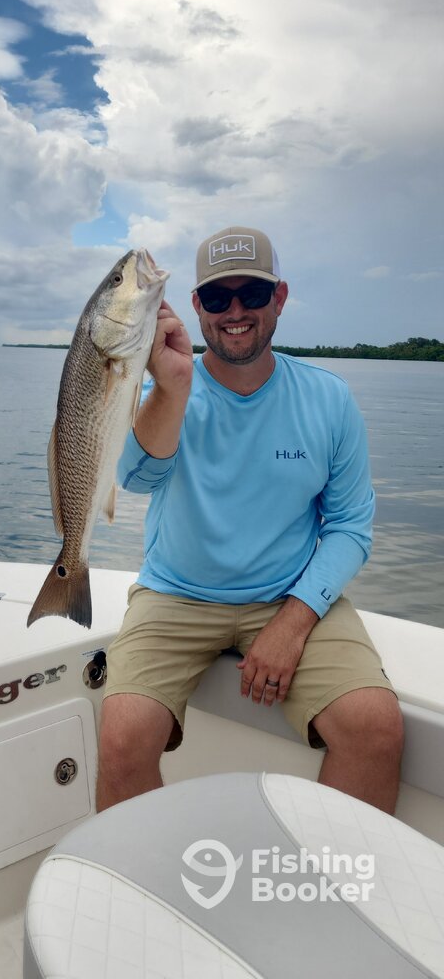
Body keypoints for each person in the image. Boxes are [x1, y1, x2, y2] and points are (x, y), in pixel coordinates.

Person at [96, 225, 404, 814]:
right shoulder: (165, 388)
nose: (235, 312)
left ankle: (331, 873)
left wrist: (293, 622)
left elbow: (349, 526)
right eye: (218, 298)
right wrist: (174, 386)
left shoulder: (329, 398)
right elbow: (135, 479)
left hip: (290, 591)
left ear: (279, 298)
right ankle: (140, 872)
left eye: (253, 294)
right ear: (196, 307)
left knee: (375, 727)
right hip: (176, 593)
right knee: (121, 739)